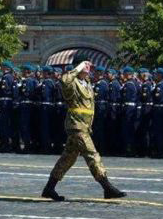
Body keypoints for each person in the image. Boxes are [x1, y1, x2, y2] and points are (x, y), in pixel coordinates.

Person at [41, 54, 125, 201]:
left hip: (85, 126)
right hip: (76, 125)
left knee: (68, 158)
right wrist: (77, 68)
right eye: (85, 64)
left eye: (88, 65)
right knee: (92, 154)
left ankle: (49, 188)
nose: (88, 67)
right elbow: (64, 80)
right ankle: (107, 187)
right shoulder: (72, 82)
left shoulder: (87, 82)